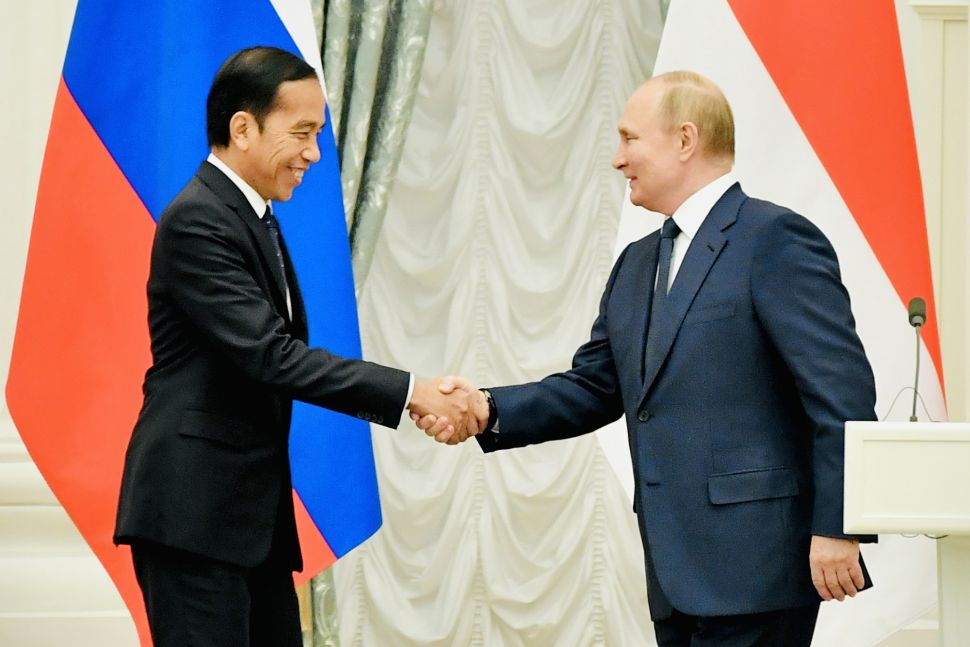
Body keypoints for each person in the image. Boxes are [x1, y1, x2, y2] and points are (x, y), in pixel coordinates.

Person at [419, 71, 878, 646]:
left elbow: (841, 397)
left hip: (760, 569)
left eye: (630, 138)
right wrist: (486, 407)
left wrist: (839, 527)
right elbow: (593, 387)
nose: (617, 159)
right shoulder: (637, 263)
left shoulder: (777, 239)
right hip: (674, 573)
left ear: (685, 140)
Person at [113, 46, 476, 647]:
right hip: (193, 515)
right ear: (243, 128)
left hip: (246, 521)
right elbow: (272, 356)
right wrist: (410, 391)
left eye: (319, 133)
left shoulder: (253, 215)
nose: (313, 152)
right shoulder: (198, 220)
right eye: (301, 132)